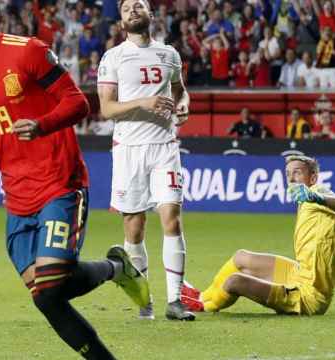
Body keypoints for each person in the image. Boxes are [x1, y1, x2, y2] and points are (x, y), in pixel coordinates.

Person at [0, 1, 150, 358]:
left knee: (52, 287)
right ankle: (117, 270)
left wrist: (42, 124)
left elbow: (78, 104)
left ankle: (116, 271)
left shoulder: (28, 51)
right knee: (46, 297)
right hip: (17, 199)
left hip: (61, 184)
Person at [97, 0, 195, 321]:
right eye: (126, 8)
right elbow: (107, 109)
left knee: (172, 218)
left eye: (139, 5)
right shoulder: (113, 57)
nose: (133, 10)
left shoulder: (169, 54)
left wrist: (182, 104)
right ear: (122, 20)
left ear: (151, 14)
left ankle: (175, 301)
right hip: (129, 149)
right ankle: (144, 301)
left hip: (164, 146)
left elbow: (181, 91)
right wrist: (145, 101)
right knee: (134, 229)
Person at [181, 156, 335, 317]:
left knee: (234, 281)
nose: (291, 178)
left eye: (297, 173)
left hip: (307, 296)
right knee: (241, 257)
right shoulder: (322, 217)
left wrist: (317, 197)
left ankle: (204, 306)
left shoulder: (318, 194)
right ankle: (202, 296)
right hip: (298, 273)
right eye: (288, 174)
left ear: (313, 178)